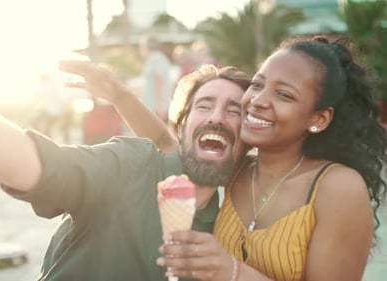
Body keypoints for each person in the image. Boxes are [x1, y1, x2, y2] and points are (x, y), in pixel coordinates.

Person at [0, 1, 251, 280]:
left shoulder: (229, 225)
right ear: (182, 124)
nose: (218, 116)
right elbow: (36, 166)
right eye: (205, 105)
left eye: (235, 110)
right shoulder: (132, 164)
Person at [155, 37, 387, 281]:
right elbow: (168, 144)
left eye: (284, 95)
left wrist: (232, 272)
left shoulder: (338, 187)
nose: (258, 101)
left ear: (319, 119)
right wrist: (121, 96)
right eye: (257, 85)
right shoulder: (239, 170)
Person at [139, 35, 173, 121]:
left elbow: (159, 81)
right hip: (152, 105)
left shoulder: (156, 58)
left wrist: (160, 106)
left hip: (156, 106)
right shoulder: (153, 58)